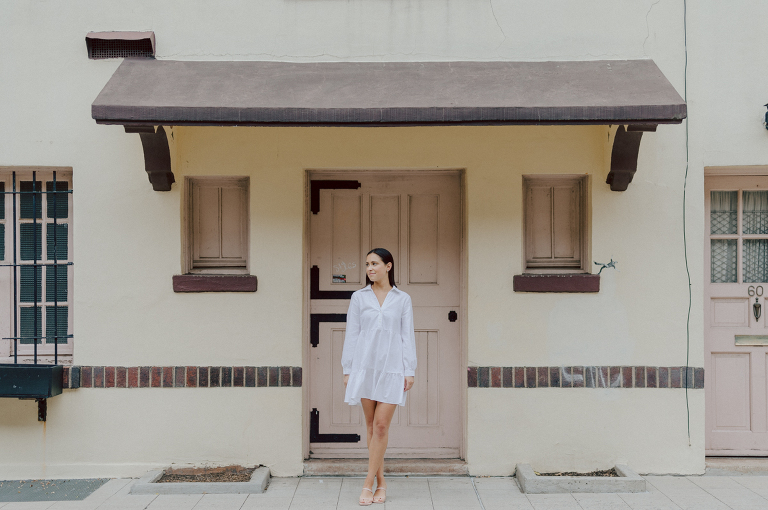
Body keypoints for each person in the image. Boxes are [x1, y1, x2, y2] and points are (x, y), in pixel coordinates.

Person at [342, 247, 416, 506]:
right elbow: (352, 334)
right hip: (365, 368)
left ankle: (367, 484)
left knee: (382, 426)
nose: (370, 268)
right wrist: (348, 369)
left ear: (389, 266)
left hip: (392, 369)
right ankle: (381, 482)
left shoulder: (402, 299)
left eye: (375, 263)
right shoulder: (359, 297)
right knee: (372, 427)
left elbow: (407, 336)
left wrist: (410, 370)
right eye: (367, 264)